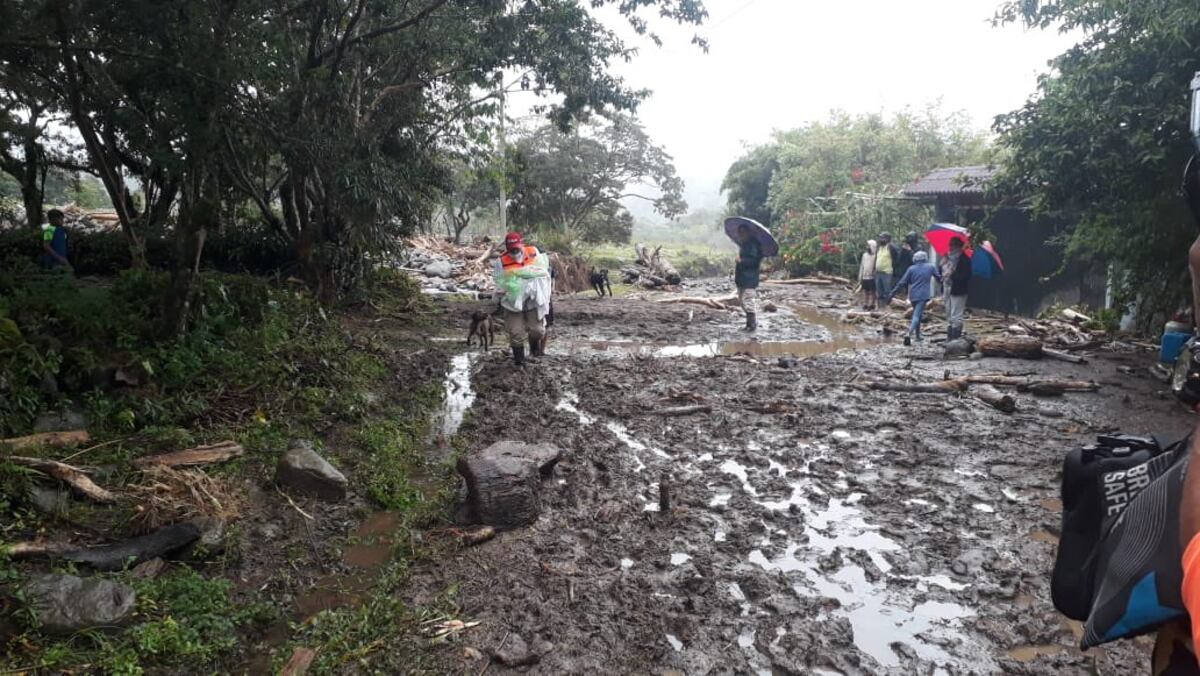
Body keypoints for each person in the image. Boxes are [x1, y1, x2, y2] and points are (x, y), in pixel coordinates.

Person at [493, 231, 551, 366]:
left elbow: (544, 271)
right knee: (516, 333)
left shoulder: (533, 252)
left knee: (537, 331)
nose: (514, 252)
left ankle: (533, 350)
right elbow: (498, 281)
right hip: (512, 302)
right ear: (506, 248)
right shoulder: (500, 261)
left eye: (516, 249)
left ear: (521, 245)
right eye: (511, 250)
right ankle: (519, 361)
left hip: (532, 300)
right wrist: (507, 288)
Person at [889, 251, 940, 346]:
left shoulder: (911, 269)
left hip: (913, 295)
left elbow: (902, 282)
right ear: (925, 258)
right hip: (923, 295)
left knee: (918, 315)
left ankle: (917, 336)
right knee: (916, 315)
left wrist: (893, 293)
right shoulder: (931, 267)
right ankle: (909, 334)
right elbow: (939, 278)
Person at [941, 237, 972, 340]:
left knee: (956, 314)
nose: (950, 247)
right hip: (947, 287)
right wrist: (942, 265)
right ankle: (949, 337)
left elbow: (966, 276)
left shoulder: (964, 260)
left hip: (958, 290)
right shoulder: (947, 258)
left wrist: (953, 274)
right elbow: (942, 274)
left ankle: (955, 339)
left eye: (952, 245)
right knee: (948, 313)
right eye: (950, 245)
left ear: (958, 246)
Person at [734, 223, 763, 332]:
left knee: (748, 300)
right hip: (742, 278)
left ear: (748, 233)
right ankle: (749, 323)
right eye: (740, 232)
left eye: (743, 232)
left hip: (750, 278)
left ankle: (751, 324)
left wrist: (741, 261)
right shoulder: (743, 245)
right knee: (742, 301)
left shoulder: (754, 245)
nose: (741, 234)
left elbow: (755, 261)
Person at [874, 232, 899, 308]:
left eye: (882, 238)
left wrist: (894, 268)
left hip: (887, 273)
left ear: (887, 239)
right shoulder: (880, 247)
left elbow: (897, 258)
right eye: (880, 238)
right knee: (879, 292)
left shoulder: (891, 247)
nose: (880, 239)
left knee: (887, 291)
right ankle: (880, 308)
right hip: (878, 272)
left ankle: (888, 307)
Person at [858, 240, 877, 310]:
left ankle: (872, 304)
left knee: (872, 291)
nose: (867, 247)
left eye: (869, 246)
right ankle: (865, 304)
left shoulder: (875, 256)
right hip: (864, 276)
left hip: (872, 277)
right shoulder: (864, 255)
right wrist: (860, 276)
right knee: (865, 291)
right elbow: (862, 266)